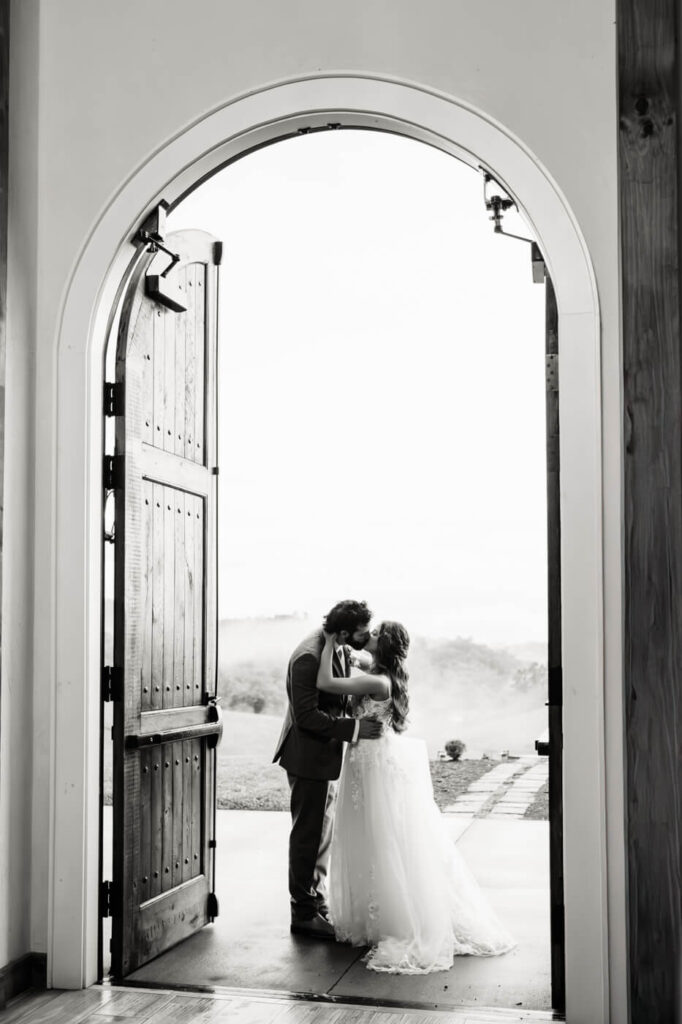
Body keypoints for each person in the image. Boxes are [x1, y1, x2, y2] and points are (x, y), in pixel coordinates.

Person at [316, 620, 516, 973]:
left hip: (373, 763)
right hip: (367, 760)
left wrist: (332, 641)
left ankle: (396, 918)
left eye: (376, 633)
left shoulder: (378, 681)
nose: (370, 635)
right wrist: (349, 648)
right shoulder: (377, 672)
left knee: (382, 838)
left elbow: (326, 683)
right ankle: (376, 914)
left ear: (386, 644)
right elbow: (355, 662)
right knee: (372, 837)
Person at [272, 599, 383, 939]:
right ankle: (303, 913)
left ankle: (315, 901)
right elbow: (306, 716)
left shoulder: (334, 644)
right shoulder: (309, 655)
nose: (364, 640)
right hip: (308, 757)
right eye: (362, 634)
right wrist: (353, 729)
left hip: (325, 755)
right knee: (308, 835)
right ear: (346, 631)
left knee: (322, 832)